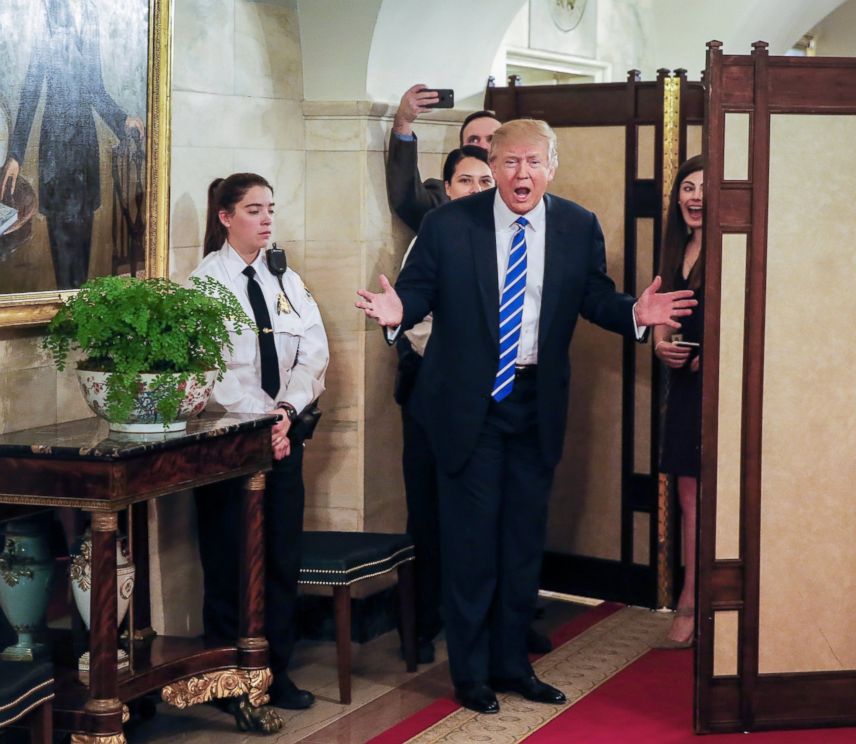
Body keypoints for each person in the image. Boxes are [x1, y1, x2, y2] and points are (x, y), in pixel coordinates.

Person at [357, 119, 697, 715]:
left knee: (520, 546)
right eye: (510, 163)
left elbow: (595, 296)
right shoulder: (448, 224)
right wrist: (395, 310)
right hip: (469, 408)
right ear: (493, 164)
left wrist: (635, 313)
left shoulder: (576, 224)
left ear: (552, 166)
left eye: (533, 163)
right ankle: (471, 675)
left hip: (535, 404)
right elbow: (418, 292)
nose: (522, 175)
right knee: (472, 547)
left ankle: (514, 666)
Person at [191, 173, 328, 710]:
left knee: (279, 558)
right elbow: (216, 371)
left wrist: (287, 412)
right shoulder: (206, 284)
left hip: (283, 437)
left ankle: (275, 671)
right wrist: (260, 420)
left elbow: (312, 353)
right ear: (226, 217)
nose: (267, 219)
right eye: (253, 209)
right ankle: (227, 674)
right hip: (231, 445)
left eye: (270, 208)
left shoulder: (286, 279)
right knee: (230, 558)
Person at [396, 145, 494, 665]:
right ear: (447, 188)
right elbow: (412, 315)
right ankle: (424, 624)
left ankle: (488, 623)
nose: (476, 190)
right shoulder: (434, 234)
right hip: (436, 392)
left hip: (492, 398)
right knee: (430, 512)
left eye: (485, 181)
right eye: (465, 181)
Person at [1, 0, 145, 289]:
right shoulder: (46, 9)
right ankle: (67, 312)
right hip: (55, 149)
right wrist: (15, 154)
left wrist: (121, 119)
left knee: (82, 243)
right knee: (63, 246)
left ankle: (79, 312)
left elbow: (95, 88)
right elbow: (31, 88)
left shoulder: (89, 12)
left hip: (85, 149)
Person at [654, 155, 704, 646]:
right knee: (689, 499)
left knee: (727, 500)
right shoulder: (675, 250)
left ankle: (721, 607)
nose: (694, 196)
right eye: (687, 188)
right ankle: (689, 602)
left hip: (730, 390)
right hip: (684, 390)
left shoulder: (738, 248)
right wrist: (662, 346)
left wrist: (705, 359)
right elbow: (661, 322)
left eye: (704, 188)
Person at [386, 83, 500, 233]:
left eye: (491, 140)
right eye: (473, 140)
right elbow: (407, 197)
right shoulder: (443, 197)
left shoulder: (520, 195)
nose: (483, 147)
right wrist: (403, 123)